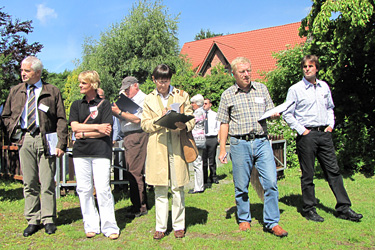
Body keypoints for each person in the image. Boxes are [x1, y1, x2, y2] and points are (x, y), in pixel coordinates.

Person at [283, 55, 363, 222]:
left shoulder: (324, 87)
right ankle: (309, 209)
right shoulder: (295, 89)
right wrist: (302, 130)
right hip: (307, 136)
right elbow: (287, 113)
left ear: (316, 68)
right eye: (304, 66)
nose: (307, 69)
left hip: (324, 134)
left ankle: (344, 208)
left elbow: (330, 108)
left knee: (333, 171)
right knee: (308, 174)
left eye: (310, 66)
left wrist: (331, 125)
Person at [217, 57, 288, 237]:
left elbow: (271, 111)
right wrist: (223, 148)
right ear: (233, 74)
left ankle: (272, 222)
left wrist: (274, 116)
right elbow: (224, 123)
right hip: (239, 143)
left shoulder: (262, 89)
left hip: (262, 141)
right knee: (241, 185)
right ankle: (244, 219)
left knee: (271, 182)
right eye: (242, 72)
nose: (247, 74)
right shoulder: (227, 95)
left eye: (249, 70)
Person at [2, 56, 68, 237]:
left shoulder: (52, 91)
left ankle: (48, 218)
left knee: (47, 182)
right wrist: (13, 131)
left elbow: (61, 119)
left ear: (37, 72)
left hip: (46, 139)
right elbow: (6, 115)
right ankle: (32, 219)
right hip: (25, 139)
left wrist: (61, 143)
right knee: (29, 182)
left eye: (27, 70)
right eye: (22, 70)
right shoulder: (15, 91)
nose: (22, 73)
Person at [141, 64, 195, 240]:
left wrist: (183, 124)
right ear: (153, 80)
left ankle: (179, 225)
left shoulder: (182, 95)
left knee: (178, 186)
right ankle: (161, 227)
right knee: (160, 188)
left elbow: (191, 119)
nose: (162, 85)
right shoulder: (148, 99)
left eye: (166, 81)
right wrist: (160, 119)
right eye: (159, 81)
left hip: (177, 144)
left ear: (170, 79)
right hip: (158, 146)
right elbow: (144, 125)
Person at [69, 70, 120, 240]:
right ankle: (90, 224)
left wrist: (84, 133)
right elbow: (74, 127)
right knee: (84, 189)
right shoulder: (76, 105)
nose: (80, 85)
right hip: (81, 153)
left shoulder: (104, 104)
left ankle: (109, 226)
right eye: (80, 82)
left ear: (92, 83)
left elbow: (106, 130)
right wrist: (95, 128)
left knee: (103, 189)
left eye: (83, 83)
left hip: (101, 152)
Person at [111, 76, 149, 217]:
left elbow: (138, 119)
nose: (126, 93)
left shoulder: (143, 99)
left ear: (135, 86)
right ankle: (139, 204)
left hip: (136, 134)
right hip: (130, 136)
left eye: (128, 90)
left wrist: (120, 113)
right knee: (132, 170)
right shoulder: (131, 99)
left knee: (134, 171)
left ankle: (139, 207)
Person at [188, 94, 206, 194]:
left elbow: (191, 123)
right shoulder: (202, 111)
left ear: (198, 103)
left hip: (197, 139)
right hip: (201, 138)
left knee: (197, 163)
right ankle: (199, 185)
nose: (192, 105)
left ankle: (198, 187)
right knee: (198, 162)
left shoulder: (198, 113)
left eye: (193, 103)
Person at [202, 98, 220, 187]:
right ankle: (204, 179)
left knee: (212, 160)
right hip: (203, 138)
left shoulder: (215, 115)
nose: (204, 105)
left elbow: (218, 127)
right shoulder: (200, 115)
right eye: (203, 103)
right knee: (203, 160)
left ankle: (213, 177)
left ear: (210, 104)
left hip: (212, 138)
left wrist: (218, 138)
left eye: (206, 103)